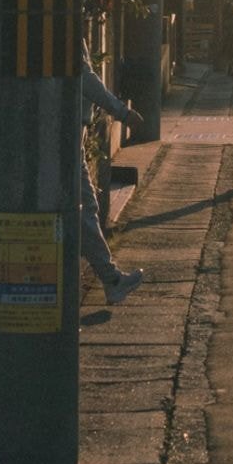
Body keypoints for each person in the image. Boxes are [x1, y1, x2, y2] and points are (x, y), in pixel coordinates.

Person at [81, 41, 145, 305]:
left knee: (85, 208)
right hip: (63, 133)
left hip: (66, 131)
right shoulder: (64, 24)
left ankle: (110, 279)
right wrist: (122, 112)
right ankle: (111, 279)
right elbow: (85, 78)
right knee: (84, 209)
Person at [220, 0, 233, 78]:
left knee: (230, 55)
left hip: (230, 39)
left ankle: (230, 69)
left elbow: (225, 31)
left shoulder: (225, 20)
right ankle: (232, 70)